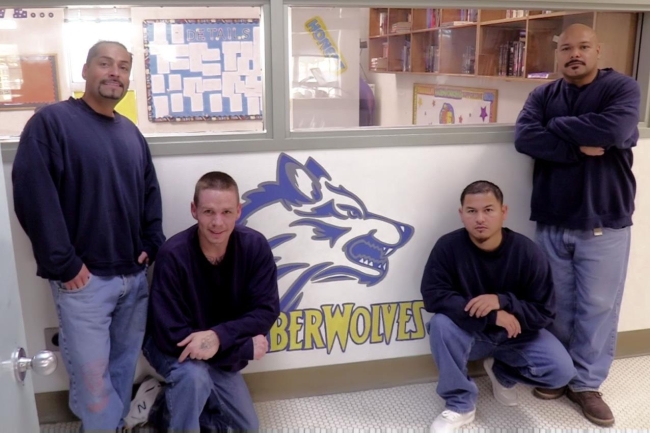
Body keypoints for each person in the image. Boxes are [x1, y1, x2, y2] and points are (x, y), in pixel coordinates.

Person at [12, 41, 164, 431]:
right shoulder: (52, 123)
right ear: (85, 70)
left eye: (124, 67)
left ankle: (104, 427)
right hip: (84, 283)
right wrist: (65, 264)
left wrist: (150, 245)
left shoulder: (130, 133)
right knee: (94, 385)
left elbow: (149, 194)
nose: (115, 72)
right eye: (105, 63)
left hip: (133, 279)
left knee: (120, 373)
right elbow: (33, 195)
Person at [514, 24, 640, 427]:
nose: (575, 54)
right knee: (558, 308)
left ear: (597, 50)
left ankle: (586, 385)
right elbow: (524, 137)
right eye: (567, 48)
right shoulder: (542, 95)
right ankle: (561, 374)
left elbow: (615, 130)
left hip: (605, 218)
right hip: (552, 218)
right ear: (557, 54)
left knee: (598, 308)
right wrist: (575, 143)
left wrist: (556, 127)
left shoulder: (622, 89)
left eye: (584, 46)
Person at [421, 181, 575, 433]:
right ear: (462, 214)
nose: (480, 218)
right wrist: (493, 316)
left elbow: (544, 312)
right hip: (471, 333)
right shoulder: (447, 247)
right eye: (471, 211)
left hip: (515, 334)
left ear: (503, 211)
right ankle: (460, 404)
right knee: (440, 324)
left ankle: (502, 373)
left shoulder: (527, 252)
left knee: (561, 372)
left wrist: (503, 301)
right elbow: (434, 296)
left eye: (489, 210)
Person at [144, 171, 280, 432]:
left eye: (227, 212)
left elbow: (266, 310)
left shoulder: (255, 247)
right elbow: (170, 335)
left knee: (247, 428)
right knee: (194, 377)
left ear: (239, 211)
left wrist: (218, 337)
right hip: (171, 347)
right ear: (194, 210)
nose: (217, 222)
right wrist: (241, 348)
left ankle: (163, 411)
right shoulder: (173, 254)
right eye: (208, 212)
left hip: (219, 346)